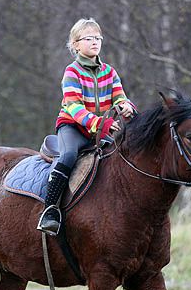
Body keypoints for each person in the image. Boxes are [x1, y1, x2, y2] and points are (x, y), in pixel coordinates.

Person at [37, 18, 134, 235]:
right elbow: (73, 107)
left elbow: (119, 97)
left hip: (101, 130)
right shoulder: (72, 72)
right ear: (75, 45)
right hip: (73, 128)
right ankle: (50, 209)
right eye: (88, 38)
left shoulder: (109, 72)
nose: (94, 42)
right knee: (69, 155)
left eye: (98, 38)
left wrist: (126, 107)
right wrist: (100, 123)